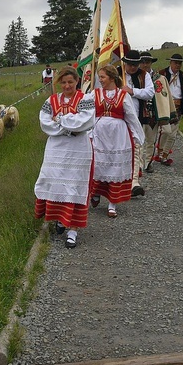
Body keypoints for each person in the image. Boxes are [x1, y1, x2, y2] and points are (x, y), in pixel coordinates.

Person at [34, 67, 96, 249]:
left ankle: (73, 229)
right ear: (58, 83)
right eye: (63, 82)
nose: (67, 85)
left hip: (78, 149)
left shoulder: (85, 99)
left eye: (70, 82)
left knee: (75, 185)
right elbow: (45, 123)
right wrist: (70, 124)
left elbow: (86, 121)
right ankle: (61, 219)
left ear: (77, 81)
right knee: (55, 182)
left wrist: (60, 120)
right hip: (56, 149)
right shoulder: (51, 100)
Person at [89, 64, 145, 219]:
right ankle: (95, 193)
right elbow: (86, 112)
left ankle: (112, 204)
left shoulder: (123, 95)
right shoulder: (95, 94)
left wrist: (137, 136)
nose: (100, 80)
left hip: (118, 136)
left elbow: (131, 116)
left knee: (115, 167)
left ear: (112, 78)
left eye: (102, 77)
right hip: (100, 134)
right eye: (99, 77)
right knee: (98, 164)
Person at [120, 50, 154, 197]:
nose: (133, 68)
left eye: (135, 65)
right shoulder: (117, 73)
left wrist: (132, 91)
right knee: (121, 149)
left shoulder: (144, 75)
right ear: (124, 63)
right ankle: (119, 181)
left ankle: (134, 183)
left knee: (136, 147)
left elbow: (150, 92)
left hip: (137, 117)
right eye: (130, 65)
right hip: (119, 118)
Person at [156, 53, 183, 166]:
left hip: (178, 107)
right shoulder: (162, 74)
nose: (177, 65)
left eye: (179, 63)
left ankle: (164, 155)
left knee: (173, 134)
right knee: (165, 130)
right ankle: (159, 152)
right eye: (175, 63)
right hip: (165, 105)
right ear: (170, 63)